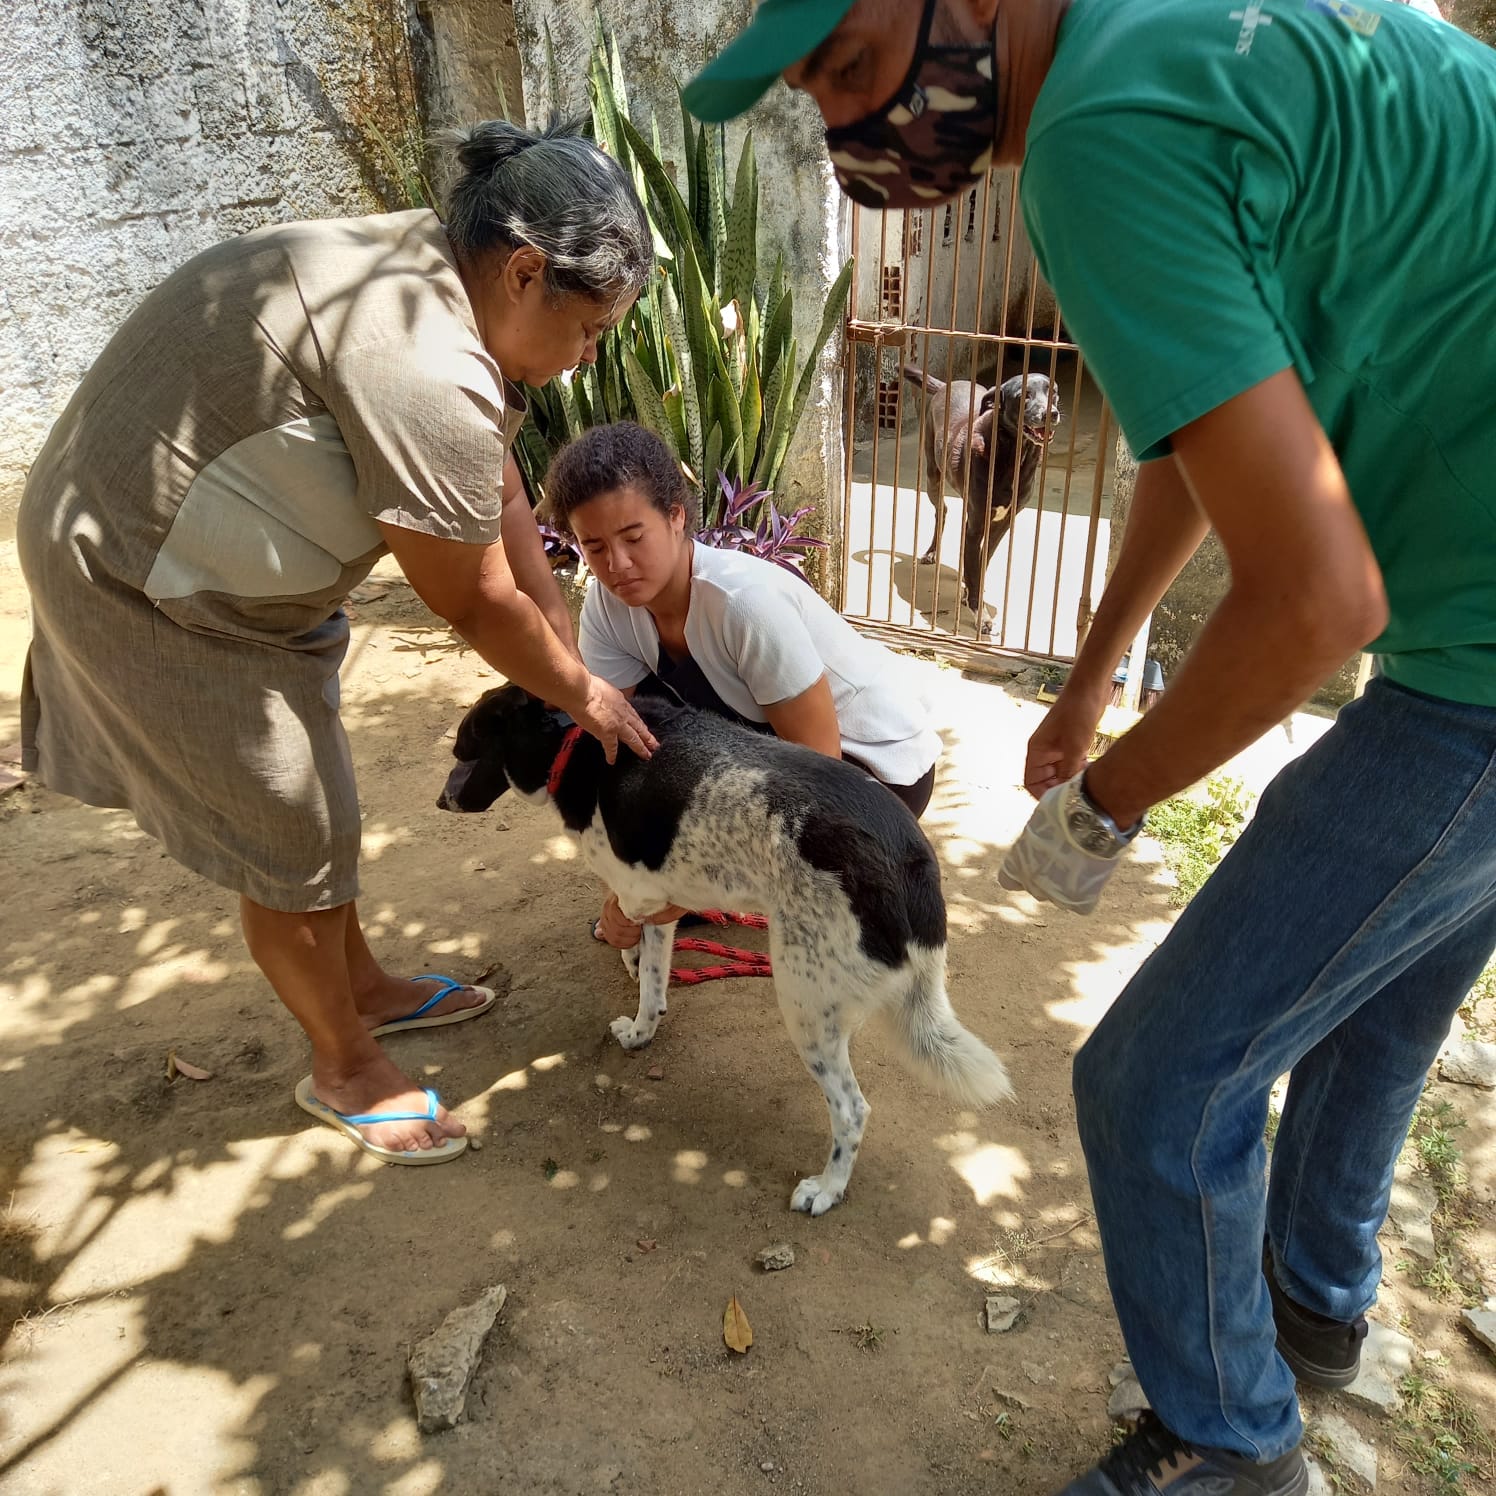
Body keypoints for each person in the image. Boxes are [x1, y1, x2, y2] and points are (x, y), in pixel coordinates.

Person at [684, 1, 1496, 1492]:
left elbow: (1315, 598)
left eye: (856, 68)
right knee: (1374, 1008)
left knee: (1158, 1080)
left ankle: (1232, 1447)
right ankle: (1310, 1314)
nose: (858, 131)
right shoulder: (1175, 35)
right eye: (823, 101)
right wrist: (1094, 675)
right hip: (1467, 627)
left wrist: (1110, 800)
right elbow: (1214, 434)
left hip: (1477, 671)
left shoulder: (1098, 134)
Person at [18, 119, 659, 1168]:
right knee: (291, 826)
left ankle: (359, 986)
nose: (589, 358)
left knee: (316, 803)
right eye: (589, 330)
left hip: (220, 560)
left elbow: (494, 494)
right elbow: (472, 597)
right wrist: (583, 690)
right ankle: (343, 1063)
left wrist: (565, 631)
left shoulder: (434, 267)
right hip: (141, 572)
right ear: (525, 272)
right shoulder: (422, 363)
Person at [542, 420, 943, 947]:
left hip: (872, 771)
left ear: (677, 518)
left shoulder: (743, 604)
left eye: (633, 537)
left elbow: (817, 772)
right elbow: (631, 752)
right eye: (594, 547)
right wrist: (630, 878)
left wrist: (685, 889)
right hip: (774, 753)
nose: (616, 564)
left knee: (805, 873)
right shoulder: (605, 608)